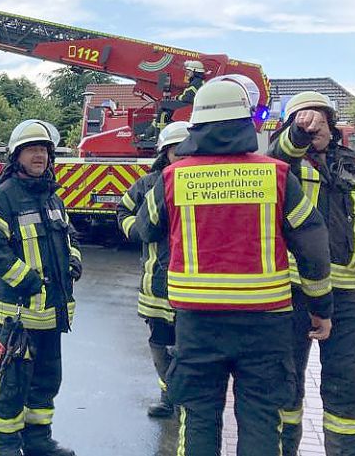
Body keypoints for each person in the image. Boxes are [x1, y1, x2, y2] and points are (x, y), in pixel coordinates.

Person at [132, 75, 334, 455]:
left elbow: (144, 226)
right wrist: (321, 307)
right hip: (265, 324)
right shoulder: (275, 174)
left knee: (199, 417)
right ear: (248, 124)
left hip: (197, 325)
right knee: (260, 416)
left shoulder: (175, 177)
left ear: (197, 128)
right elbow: (313, 242)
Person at [270, 91, 355, 455]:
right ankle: (283, 447)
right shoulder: (284, 167)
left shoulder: (352, 171)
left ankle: (350, 449)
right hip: (292, 292)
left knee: (346, 382)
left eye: (323, 120)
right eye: (307, 121)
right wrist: (297, 134)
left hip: (343, 297)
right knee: (286, 380)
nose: (317, 127)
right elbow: (278, 153)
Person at [0, 119, 82, 456]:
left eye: (44, 150)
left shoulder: (53, 197)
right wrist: (27, 280)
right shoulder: (2, 198)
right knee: (11, 387)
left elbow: (69, 237)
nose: (40, 155)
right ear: (17, 156)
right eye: (32, 149)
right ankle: (4, 447)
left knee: (46, 384)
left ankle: (38, 442)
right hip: (16, 319)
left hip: (52, 316)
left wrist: (74, 259)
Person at [116, 120, 191, 419]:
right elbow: (123, 210)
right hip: (157, 283)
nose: (182, 157)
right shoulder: (148, 185)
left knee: (188, 348)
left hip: (195, 285)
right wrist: (137, 231)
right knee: (160, 344)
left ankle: (186, 397)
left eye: (187, 151)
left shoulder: (201, 182)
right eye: (176, 152)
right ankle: (167, 396)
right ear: (165, 154)